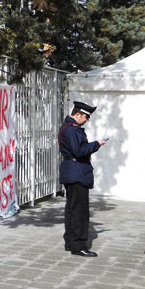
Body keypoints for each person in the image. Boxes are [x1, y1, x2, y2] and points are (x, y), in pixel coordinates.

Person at [58, 101, 106, 257]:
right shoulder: (71, 129)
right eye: (86, 117)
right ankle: (78, 246)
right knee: (79, 211)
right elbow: (79, 151)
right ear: (78, 114)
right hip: (76, 172)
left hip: (73, 171)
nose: (87, 120)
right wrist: (96, 144)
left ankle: (70, 242)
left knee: (72, 209)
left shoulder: (69, 127)